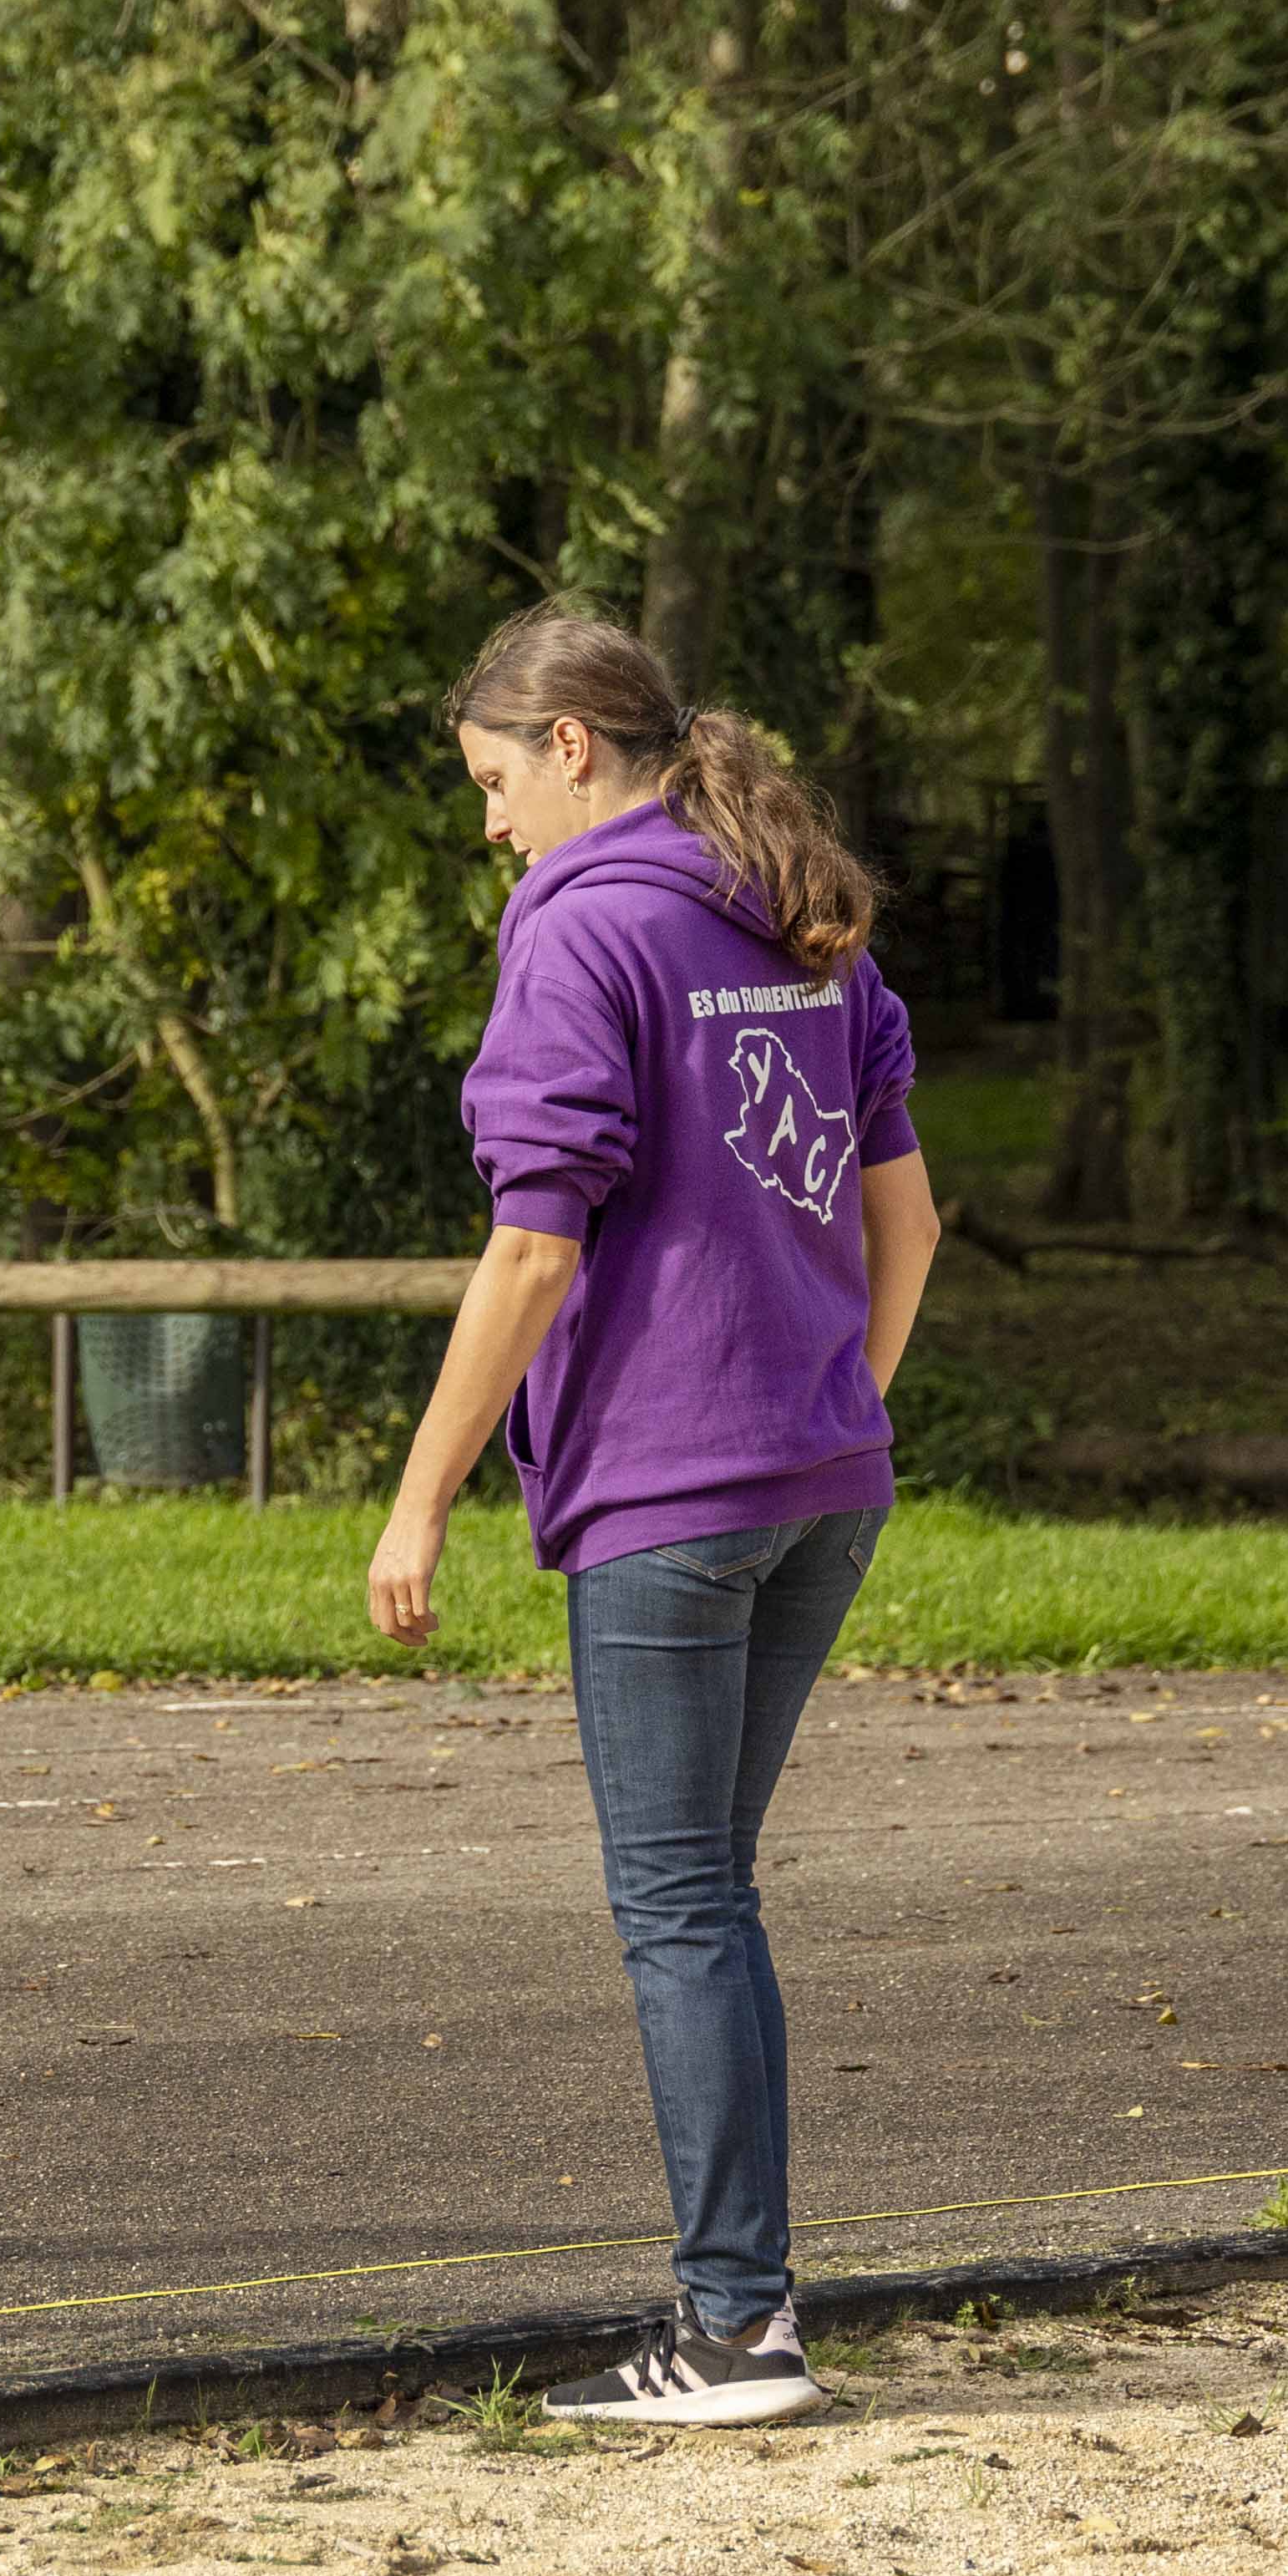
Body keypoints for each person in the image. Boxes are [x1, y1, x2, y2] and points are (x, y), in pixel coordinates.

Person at [368, 602, 939, 2428]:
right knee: (715, 1894)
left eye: (492, 781)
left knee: (683, 1899)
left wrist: (420, 1494)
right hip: (824, 1483)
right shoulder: (806, 920)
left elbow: (534, 1246)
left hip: (674, 1496)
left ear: (575, 752)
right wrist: (836, 1394)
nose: (490, 823)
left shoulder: (586, 937)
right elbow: (905, 1226)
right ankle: (744, 2307)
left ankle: (734, 2327)